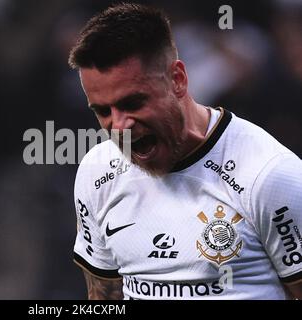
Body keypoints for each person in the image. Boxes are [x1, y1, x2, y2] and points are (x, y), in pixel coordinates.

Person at [68, 3, 302, 300]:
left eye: (133, 103)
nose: (119, 125)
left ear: (177, 80)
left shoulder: (271, 175)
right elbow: (103, 297)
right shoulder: (97, 172)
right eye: (102, 111)